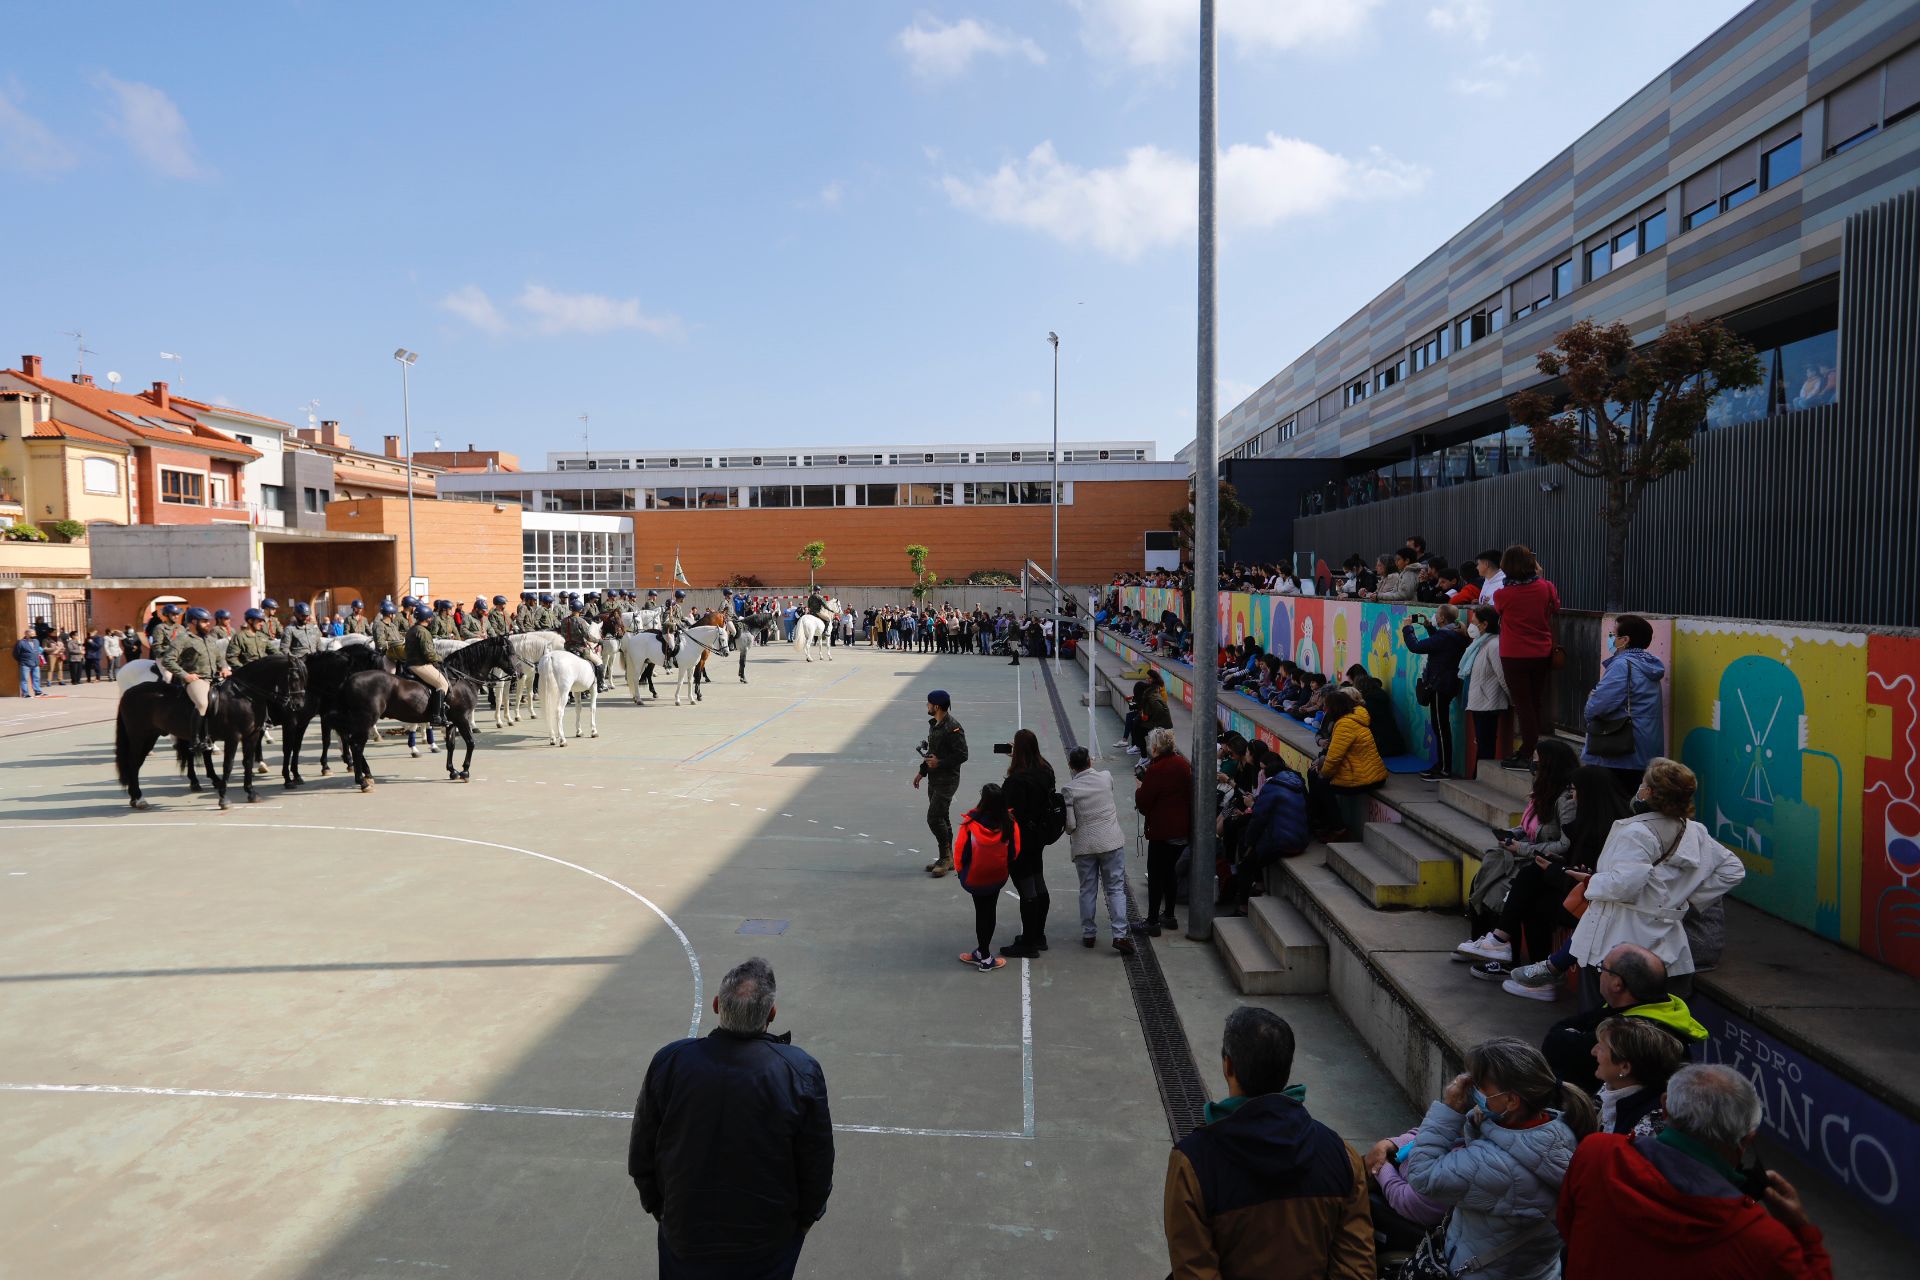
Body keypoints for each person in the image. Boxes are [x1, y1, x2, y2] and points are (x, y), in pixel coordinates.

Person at [629, 957, 834, 1280]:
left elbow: (642, 1151)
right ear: (771, 1014)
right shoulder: (800, 1071)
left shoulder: (670, 1061)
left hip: (685, 1235)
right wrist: (804, 1221)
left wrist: (661, 1209)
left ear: (716, 1005)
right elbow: (816, 1163)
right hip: (766, 1244)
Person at [1557, 1065, 1833, 1279]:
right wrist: (1801, 1229)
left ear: (1664, 1107)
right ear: (1747, 1139)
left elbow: (1567, 1224)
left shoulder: (1597, 1154)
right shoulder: (1764, 1241)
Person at [1507, 758, 1746, 1004]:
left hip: (1620, 943)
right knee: (1656, 1026)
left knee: (1604, 1020)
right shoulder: (1694, 830)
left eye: (1643, 785)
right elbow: (1733, 869)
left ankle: (1553, 967)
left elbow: (1623, 885)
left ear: (1650, 793)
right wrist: (1686, 898)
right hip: (1667, 943)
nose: (1638, 789)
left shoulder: (1637, 832)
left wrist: (1593, 881)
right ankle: (1553, 966)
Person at [1164, 1008, 1373, 1279]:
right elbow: (1356, 1269)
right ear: (1286, 1069)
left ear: (1228, 1066)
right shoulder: (1342, 1156)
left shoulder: (1191, 1164)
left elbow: (1194, 1271)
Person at [1402, 1037, 1594, 1280]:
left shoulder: (1496, 1165)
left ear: (1512, 1100)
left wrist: (1449, 1109)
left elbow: (1422, 1176)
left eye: (1480, 1085)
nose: (1471, 1089)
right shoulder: (1561, 1128)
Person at [1457, 739, 1581, 972]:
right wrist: (1512, 836)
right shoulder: (1540, 793)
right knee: (1484, 877)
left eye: (1536, 763)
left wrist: (1523, 849)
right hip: (1526, 855)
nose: (1532, 768)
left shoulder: (1565, 801)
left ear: (1550, 766)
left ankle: (1503, 955)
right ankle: (1484, 943)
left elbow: (1566, 844)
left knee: (1503, 888)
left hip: (1542, 862)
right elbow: (1528, 827)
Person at [1540, 942, 1706, 1093]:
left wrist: (1572, 1034)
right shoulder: (1652, 1006)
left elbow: (1555, 1044)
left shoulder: (1629, 1033)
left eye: (1602, 969)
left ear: (1617, 984)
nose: (1595, 1050)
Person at [1581, 614, 1666, 797]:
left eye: (1613, 635)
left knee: (1614, 806)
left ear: (1625, 640)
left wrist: (1591, 699)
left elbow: (1598, 706)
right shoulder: (1648, 664)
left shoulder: (1622, 665)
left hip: (1621, 751)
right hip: (1645, 748)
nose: (1610, 639)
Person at [1061, 746, 1133, 954]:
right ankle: (1120, 934)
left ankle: (1089, 933)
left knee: (1087, 889)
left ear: (1071, 766)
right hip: (1111, 842)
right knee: (1116, 888)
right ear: (1090, 761)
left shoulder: (1069, 790)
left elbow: (1070, 825)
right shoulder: (1106, 777)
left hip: (1084, 845)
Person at [1493, 544, 1560, 769]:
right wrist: (1540, 577)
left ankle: (1527, 752)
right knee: (1535, 702)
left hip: (1513, 654)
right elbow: (1555, 607)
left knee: (1523, 704)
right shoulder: (1546, 587)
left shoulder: (1502, 594)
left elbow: (1499, 611)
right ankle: (1531, 749)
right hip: (1542, 651)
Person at [999, 728, 1058, 959]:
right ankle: (1038, 935)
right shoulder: (1046, 770)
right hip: (1039, 836)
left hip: (1021, 839)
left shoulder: (1016, 781)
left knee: (1026, 889)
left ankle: (1028, 942)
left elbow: (1007, 811)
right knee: (1038, 881)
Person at [1134, 727, 1193, 937]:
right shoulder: (1182, 764)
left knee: (1156, 875)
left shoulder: (1157, 769)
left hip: (1162, 830)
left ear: (1156, 747)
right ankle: (1169, 915)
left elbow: (1143, 802)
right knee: (1170, 873)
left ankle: (1152, 921)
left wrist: (1140, 786)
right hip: (1182, 829)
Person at [1306, 690, 1387, 842]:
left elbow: (1334, 758)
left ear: (1334, 708)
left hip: (1365, 777)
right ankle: (1321, 822)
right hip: (1364, 771)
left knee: (1322, 783)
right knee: (1313, 773)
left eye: (1326, 707)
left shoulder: (1345, 724)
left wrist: (1323, 770)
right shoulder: (1353, 718)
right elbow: (1334, 753)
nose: (1324, 710)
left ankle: (1338, 829)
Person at [953, 783, 1018, 971]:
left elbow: (960, 852)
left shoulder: (970, 825)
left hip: (975, 877)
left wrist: (960, 872)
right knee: (989, 911)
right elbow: (1014, 851)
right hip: (997, 876)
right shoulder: (1009, 823)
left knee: (981, 911)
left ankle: (984, 955)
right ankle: (983, 953)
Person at [1591, 1013, 1687, 1136]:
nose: (1593, 1052)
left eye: (1601, 1049)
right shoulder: (1612, 1087)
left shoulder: (1651, 1121)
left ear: (1624, 1067)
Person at [1404, 604, 1469, 781]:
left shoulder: (1446, 636)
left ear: (1442, 619)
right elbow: (1439, 646)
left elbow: (1416, 647)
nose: (1434, 616)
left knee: (1441, 727)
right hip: (1446, 683)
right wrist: (1428, 627)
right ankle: (1441, 765)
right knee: (1439, 726)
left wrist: (1407, 628)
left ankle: (1445, 770)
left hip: (1441, 685)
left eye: (1436, 615)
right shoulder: (1453, 633)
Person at [158, 606, 231, 751]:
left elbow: (219, 658)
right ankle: (195, 740)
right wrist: (186, 675)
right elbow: (168, 660)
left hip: (214, 678)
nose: (208, 624)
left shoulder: (209, 639)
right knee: (203, 704)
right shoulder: (183, 639)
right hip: (196, 679)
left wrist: (223, 668)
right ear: (193, 622)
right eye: (204, 621)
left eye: (208, 621)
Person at [914, 689, 968, 877]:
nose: (927, 706)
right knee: (942, 817)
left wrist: (940, 763)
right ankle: (947, 857)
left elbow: (963, 755)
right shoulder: (935, 724)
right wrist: (922, 772)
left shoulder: (953, 727)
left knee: (934, 817)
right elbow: (933, 751)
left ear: (936, 706)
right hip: (934, 779)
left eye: (929, 703)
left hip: (948, 780)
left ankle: (945, 857)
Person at [1459, 603, 1510, 776]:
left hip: (1488, 703)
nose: (1471, 626)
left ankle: (1479, 778)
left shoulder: (1494, 644)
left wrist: (1512, 699)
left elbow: (1502, 675)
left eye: (1474, 622)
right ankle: (1476, 776)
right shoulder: (1480, 643)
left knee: (1486, 745)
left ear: (1485, 624)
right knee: (1481, 743)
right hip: (1479, 702)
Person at [403, 603, 451, 728]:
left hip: (410, 663)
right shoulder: (423, 632)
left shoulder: (412, 629)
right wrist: (440, 659)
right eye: (430, 617)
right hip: (420, 665)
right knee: (442, 684)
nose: (431, 619)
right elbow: (429, 654)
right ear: (428, 618)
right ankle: (436, 716)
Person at [12, 629, 43, 699]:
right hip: (25, 664)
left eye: (34, 634)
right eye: (32, 634)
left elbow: (37, 651)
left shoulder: (36, 641)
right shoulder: (21, 643)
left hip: (35, 663)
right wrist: (21, 660)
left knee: (36, 678)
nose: (34, 636)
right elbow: (15, 654)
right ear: (26, 634)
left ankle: (37, 691)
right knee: (24, 679)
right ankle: (25, 693)